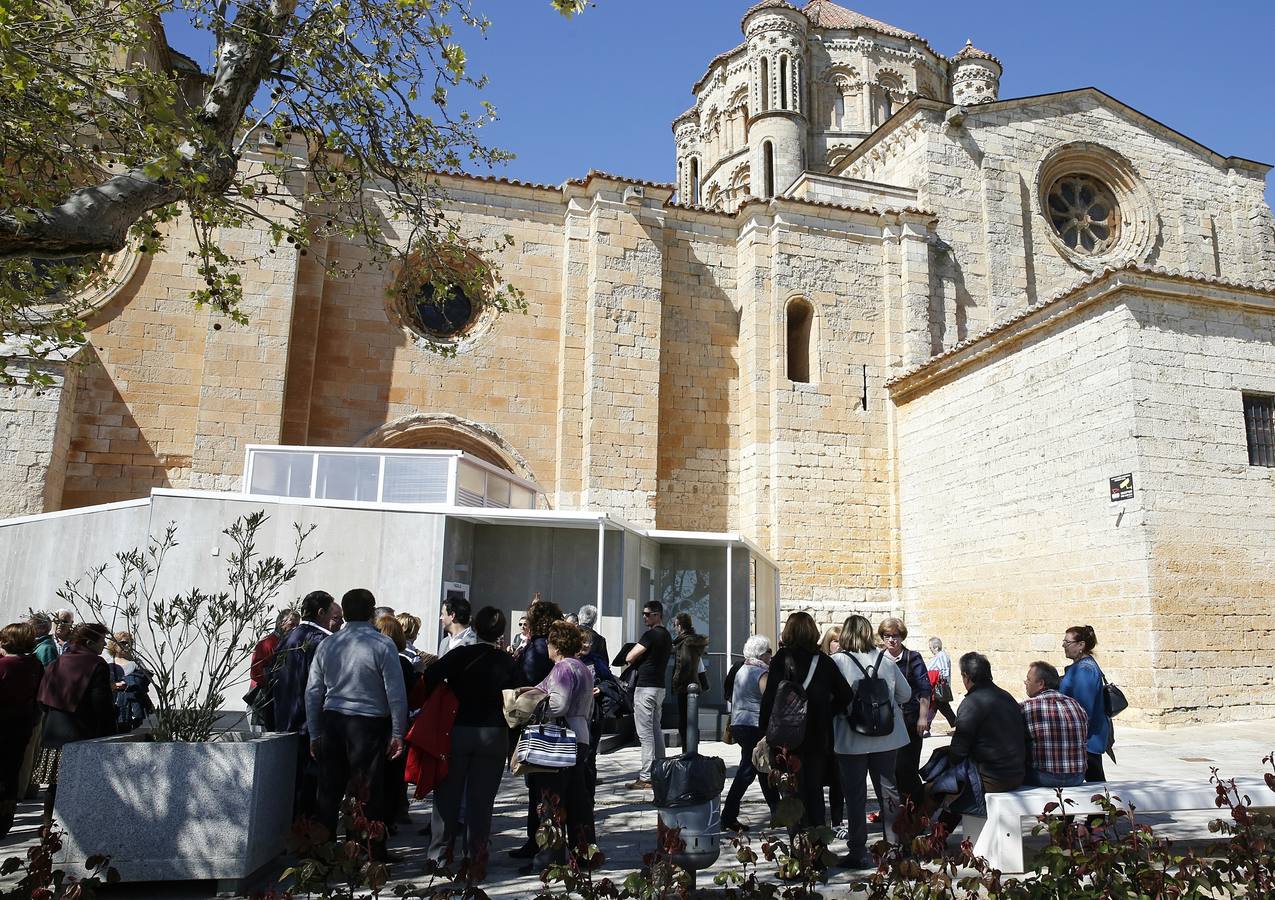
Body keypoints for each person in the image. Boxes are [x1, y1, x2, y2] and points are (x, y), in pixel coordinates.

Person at [305, 588, 407, 861]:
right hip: (369, 725)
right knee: (368, 793)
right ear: (372, 612)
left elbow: (313, 691)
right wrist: (398, 732)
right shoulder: (383, 645)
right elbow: (395, 693)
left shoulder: (329, 644)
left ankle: (320, 856)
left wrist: (315, 731)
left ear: (346, 613)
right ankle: (367, 854)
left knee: (328, 791)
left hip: (333, 720)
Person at [424, 606, 518, 874]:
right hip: (494, 731)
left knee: (447, 795)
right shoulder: (507, 662)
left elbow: (430, 675)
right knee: (481, 800)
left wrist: (446, 694)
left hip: (458, 727)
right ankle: (476, 855)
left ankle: (439, 855)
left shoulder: (461, 655)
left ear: (476, 627)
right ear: (501, 633)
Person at [830, 615, 911, 869]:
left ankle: (857, 850)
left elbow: (832, 699)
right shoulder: (885, 659)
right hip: (887, 737)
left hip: (852, 737)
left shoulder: (838, 662)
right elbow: (905, 694)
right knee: (888, 792)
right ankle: (895, 846)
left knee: (855, 796)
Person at [759, 612, 852, 829]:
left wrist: (764, 732)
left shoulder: (781, 659)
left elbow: (769, 699)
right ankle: (818, 849)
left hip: (787, 738)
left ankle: (798, 849)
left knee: (792, 793)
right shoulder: (825, 662)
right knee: (815, 791)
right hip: (818, 737)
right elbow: (846, 696)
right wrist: (826, 711)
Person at [519, 620, 595, 875]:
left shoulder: (563, 668)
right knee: (577, 800)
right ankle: (582, 853)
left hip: (560, 740)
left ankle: (549, 859)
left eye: (550, 643)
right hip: (580, 735)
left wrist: (534, 707)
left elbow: (559, 704)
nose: (547, 648)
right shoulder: (582, 668)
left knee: (550, 800)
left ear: (557, 646)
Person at [36, 623, 115, 827]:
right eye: (101, 641)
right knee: (80, 785)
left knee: (54, 785)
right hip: (82, 734)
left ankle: (48, 828)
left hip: (53, 732)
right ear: (89, 642)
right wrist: (110, 734)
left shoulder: (59, 661)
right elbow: (101, 705)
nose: (104, 644)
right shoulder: (96, 664)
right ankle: (73, 829)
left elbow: (42, 699)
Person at [935, 652, 1027, 823]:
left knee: (937, 786)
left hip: (993, 778)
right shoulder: (1007, 697)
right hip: (1016, 773)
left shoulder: (971, 703)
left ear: (966, 676)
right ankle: (939, 834)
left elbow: (959, 749)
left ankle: (934, 837)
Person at [271, 590, 336, 821]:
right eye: (333, 614)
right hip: (310, 722)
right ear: (321, 612)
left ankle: (291, 831)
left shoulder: (288, 638)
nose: (336, 622)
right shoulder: (321, 641)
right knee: (309, 787)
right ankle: (305, 836)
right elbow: (322, 686)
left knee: (290, 784)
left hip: (285, 718)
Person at [509, 599, 563, 859]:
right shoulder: (549, 647)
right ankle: (538, 841)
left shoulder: (537, 648)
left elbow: (528, 683)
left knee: (539, 786)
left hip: (538, 723)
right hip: (547, 723)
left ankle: (539, 843)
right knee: (541, 786)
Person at [721, 634, 777, 833]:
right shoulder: (760, 673)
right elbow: (770, 699)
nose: (771, 656)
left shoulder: (742, 669)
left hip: (740, 724)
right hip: (754, 726)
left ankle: (777, 812)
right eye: (769, 652)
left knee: (762, 769)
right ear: (762, 655)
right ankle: (728, 816)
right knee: (748, 771)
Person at [878, 617, 931, 805]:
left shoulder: (912, 658)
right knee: (889, 769)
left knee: (907, 768)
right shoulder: (877, 658)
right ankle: (899, 808)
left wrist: (923, 717)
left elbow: (925, 688)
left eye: (896, 636)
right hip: (886, 721)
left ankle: (917, 809)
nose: (892, 640)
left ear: (902, 637)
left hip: (909, 720)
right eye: (887, 636)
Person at [0, 623, 44, 837]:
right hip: (22, 726)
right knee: (11, 773)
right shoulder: (35, 665)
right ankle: (5, 818)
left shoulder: (4, 665)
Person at [624, 599, 672, 791]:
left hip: (645, 688)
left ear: (657, 614)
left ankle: (646, 776)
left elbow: (629, 657)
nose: (644, 617)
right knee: (655, 730)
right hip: (659, 688)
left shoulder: (651, 635)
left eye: (647, 614)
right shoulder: (667, 635)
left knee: (645, 735)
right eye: (643, 614)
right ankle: (661, 770)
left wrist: (634, 654)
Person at [377, 614, 418, 828]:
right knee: (394, 778)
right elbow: (404, 697)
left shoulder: (375, 658)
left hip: (374, 724)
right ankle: (388, 821)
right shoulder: (402, 663)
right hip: (395, 723)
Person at [1021, 661, 1088, 787]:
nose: (1025, 682)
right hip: (1077, 776)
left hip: (1042, 776)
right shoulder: (1076, 705)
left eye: (1028, 679)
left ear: (1041, 684)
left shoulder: (1027, 707)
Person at [1058, 625, 1112, 783]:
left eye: (1067, 642)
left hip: (1086, 742)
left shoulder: (1085, 670)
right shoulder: (1081, 667)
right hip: (1085, 740)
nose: (1063, 646)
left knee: (1095, 787)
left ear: (1081, 645)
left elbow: (1083, 710)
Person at [248, 609, 298, 729]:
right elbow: (256, 672)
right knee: (261, 737)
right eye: (292, 625)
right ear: (281, 623)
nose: (295, 629)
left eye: (297, 625)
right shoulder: (267, 643)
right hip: (262, 697)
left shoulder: (291, 643)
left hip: (279, 699)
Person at [671, 613, 709, 749]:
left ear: (680, 626)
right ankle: (690, 750)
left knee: (685, 721)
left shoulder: (685, 643)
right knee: (689, 720)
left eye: (675, 625)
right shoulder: (693, 642)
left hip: (685, 685)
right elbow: (699, 665)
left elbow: (685, 664)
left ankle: (688, 751)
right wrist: (704, 683)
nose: (675, 628)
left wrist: (677, 682)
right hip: (692, 684)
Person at [107, 631, 153, 733]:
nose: (127, 645)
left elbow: (145, 680)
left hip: (136, 706)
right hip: (114, 705)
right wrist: (113, 685)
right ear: (114, 644)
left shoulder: (136, 662)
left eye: (130, 643)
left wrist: (129, 683)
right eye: (123, 642)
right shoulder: (108, 663)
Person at [924, 636, 957, 734]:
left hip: (937, 687)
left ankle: (926, 729)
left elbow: (944, 670)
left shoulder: (941, 656)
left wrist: (941, 683)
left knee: (939, 707)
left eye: (931, 647)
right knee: (936, 707)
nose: (930, 649)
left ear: (936, 647)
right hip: (936, 687)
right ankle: (926, 728)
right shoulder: (939, 656)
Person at [577, 605, 609, 670]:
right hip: (591, 676)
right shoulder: (599, 639)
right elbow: (605, 664)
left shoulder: (570, 633)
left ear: (579, 617)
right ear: (595, 620)